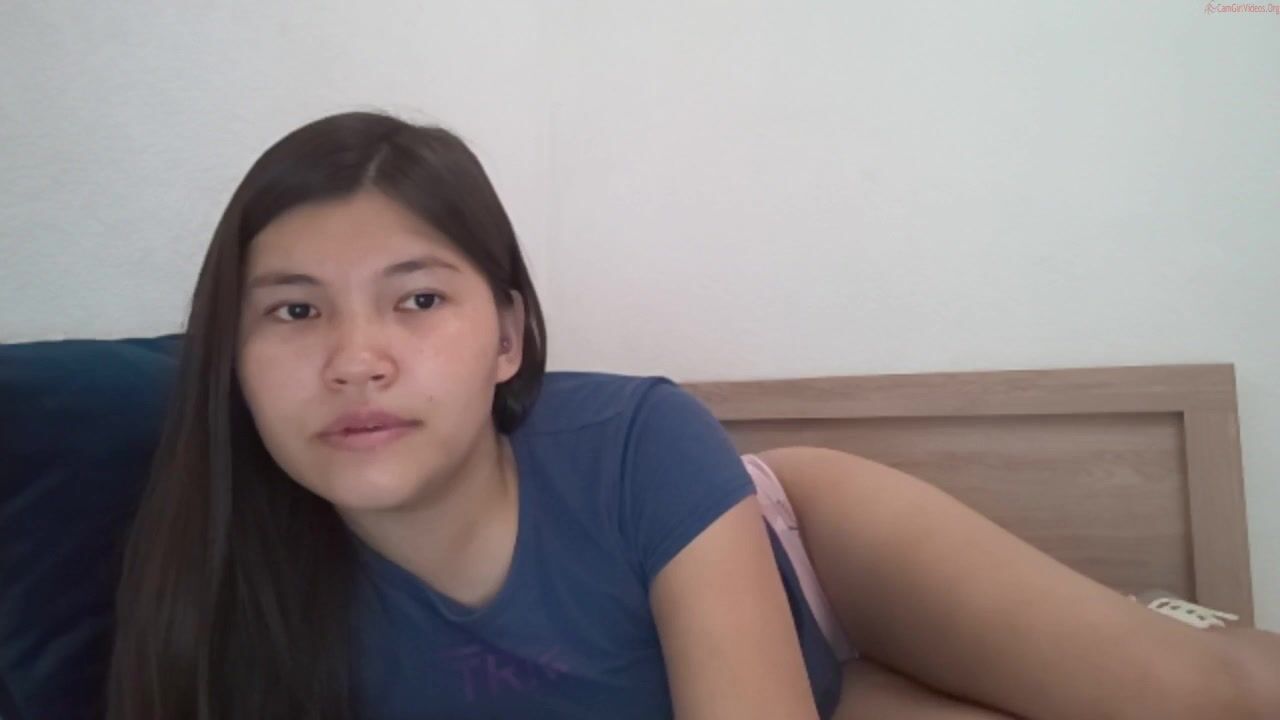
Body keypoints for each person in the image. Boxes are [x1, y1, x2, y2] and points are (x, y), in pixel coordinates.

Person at [106, 111, 1280, 719]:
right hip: (800, 692)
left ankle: (1165, 631)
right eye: (295, 311)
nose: (356, 360)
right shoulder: (222, 592)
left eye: (417, 299)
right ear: (229, 360)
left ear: (506, 336)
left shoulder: (640, 441)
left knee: (1195, 699)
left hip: (805, 553)